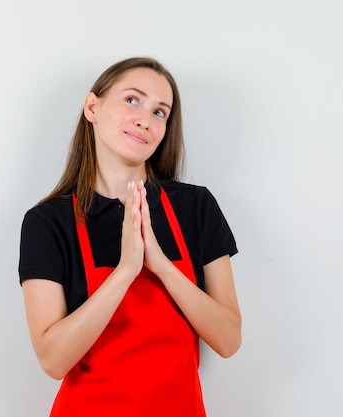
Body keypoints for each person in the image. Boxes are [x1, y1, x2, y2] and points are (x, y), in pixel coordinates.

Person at [18, 57, 241, 416]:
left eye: (160, 112)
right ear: (93, 107)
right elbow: (53, 359)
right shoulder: (48, 222)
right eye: (132, 100)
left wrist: (164, 268)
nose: (144, 119)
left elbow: (229, 339)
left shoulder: (195, 207)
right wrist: (125, 271)